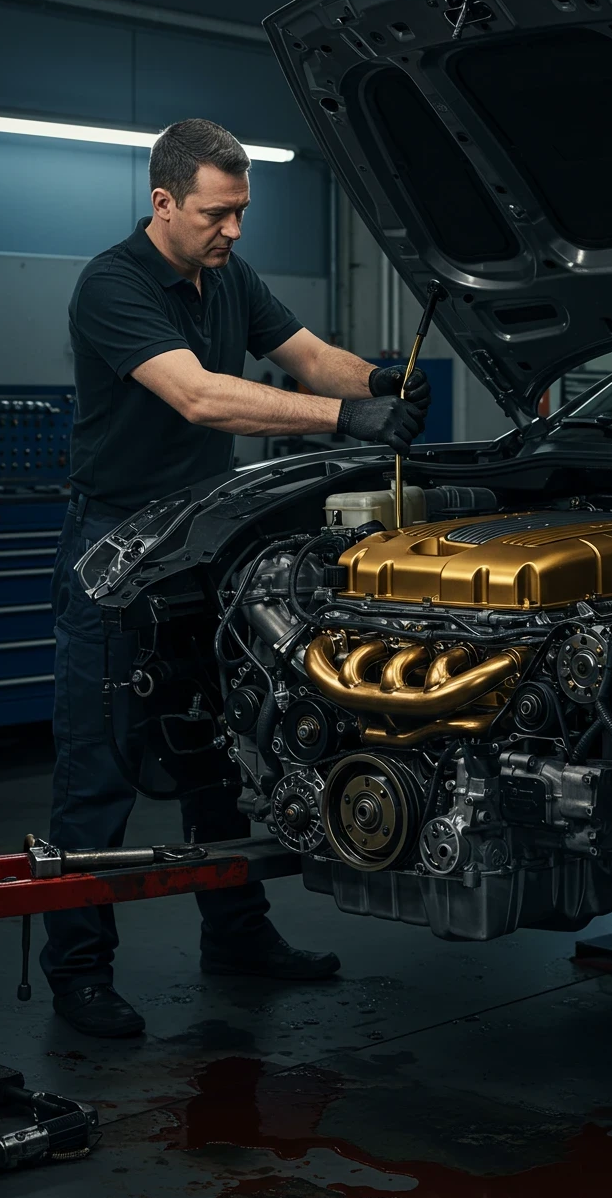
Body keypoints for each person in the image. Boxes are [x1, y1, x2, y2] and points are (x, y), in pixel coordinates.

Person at [43, 118, 431, 1038]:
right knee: (98, 776)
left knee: (220, 754)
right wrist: (343, 420)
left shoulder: (227, 277)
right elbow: (199, 393)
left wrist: (376, 382)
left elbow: (308, 357)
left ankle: (239, 936)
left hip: (204, 550)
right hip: (116, 556)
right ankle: (79, 971)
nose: (235, 231)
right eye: (220, 213)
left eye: (243, 212)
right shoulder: (112, 284)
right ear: (164, 202)